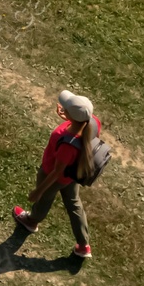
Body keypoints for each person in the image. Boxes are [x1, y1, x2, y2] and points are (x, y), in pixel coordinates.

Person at [14, 89, 99, 259]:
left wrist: (39, 191)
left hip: (55, 176)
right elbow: (79, 131)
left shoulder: (65, 139)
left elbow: (56, 172)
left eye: (66, 108)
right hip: (73, 173)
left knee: (45, 199)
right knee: (74, 203)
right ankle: (83, 245)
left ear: (72, 116)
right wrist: (68, 118)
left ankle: (32, 221)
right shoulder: (93, 122)